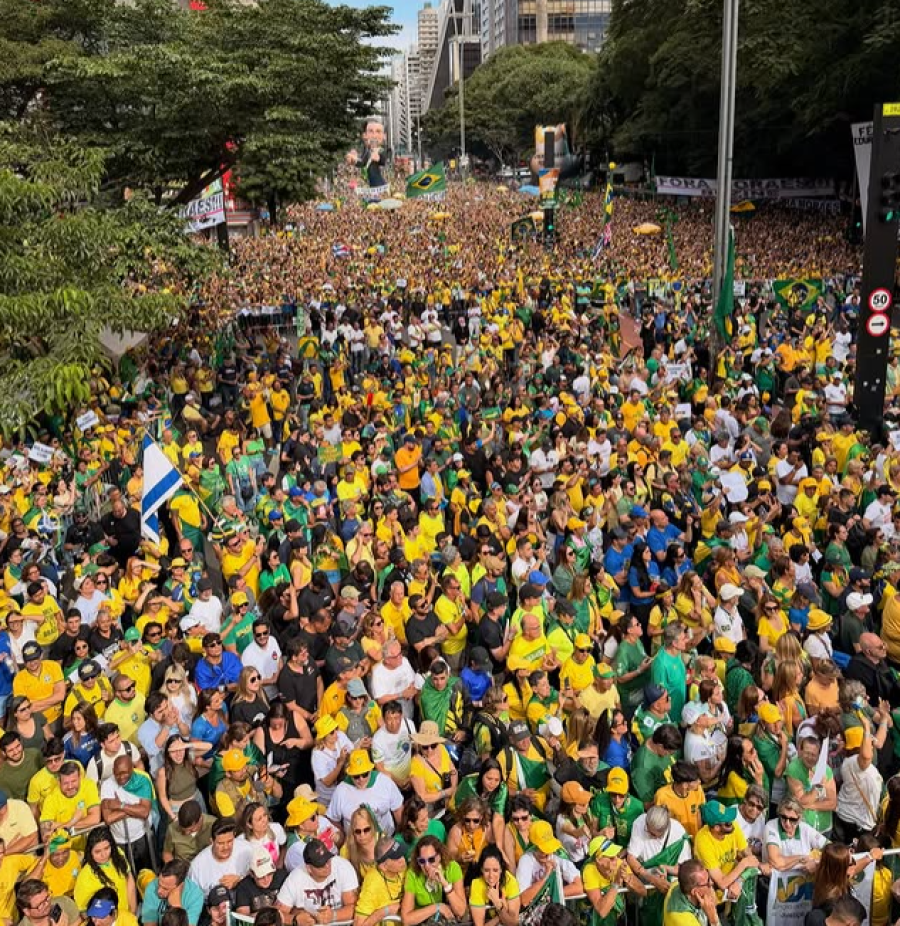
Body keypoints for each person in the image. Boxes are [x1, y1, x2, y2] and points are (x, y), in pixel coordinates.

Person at [276, 838, 358, 925]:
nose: (327, 866)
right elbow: (277, 914)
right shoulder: (295, 878)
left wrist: (333, 916)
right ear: (309, 868)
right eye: (321, 864)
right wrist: (295, 920)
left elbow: (355, 907)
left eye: (327, 859)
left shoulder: (342, 867)